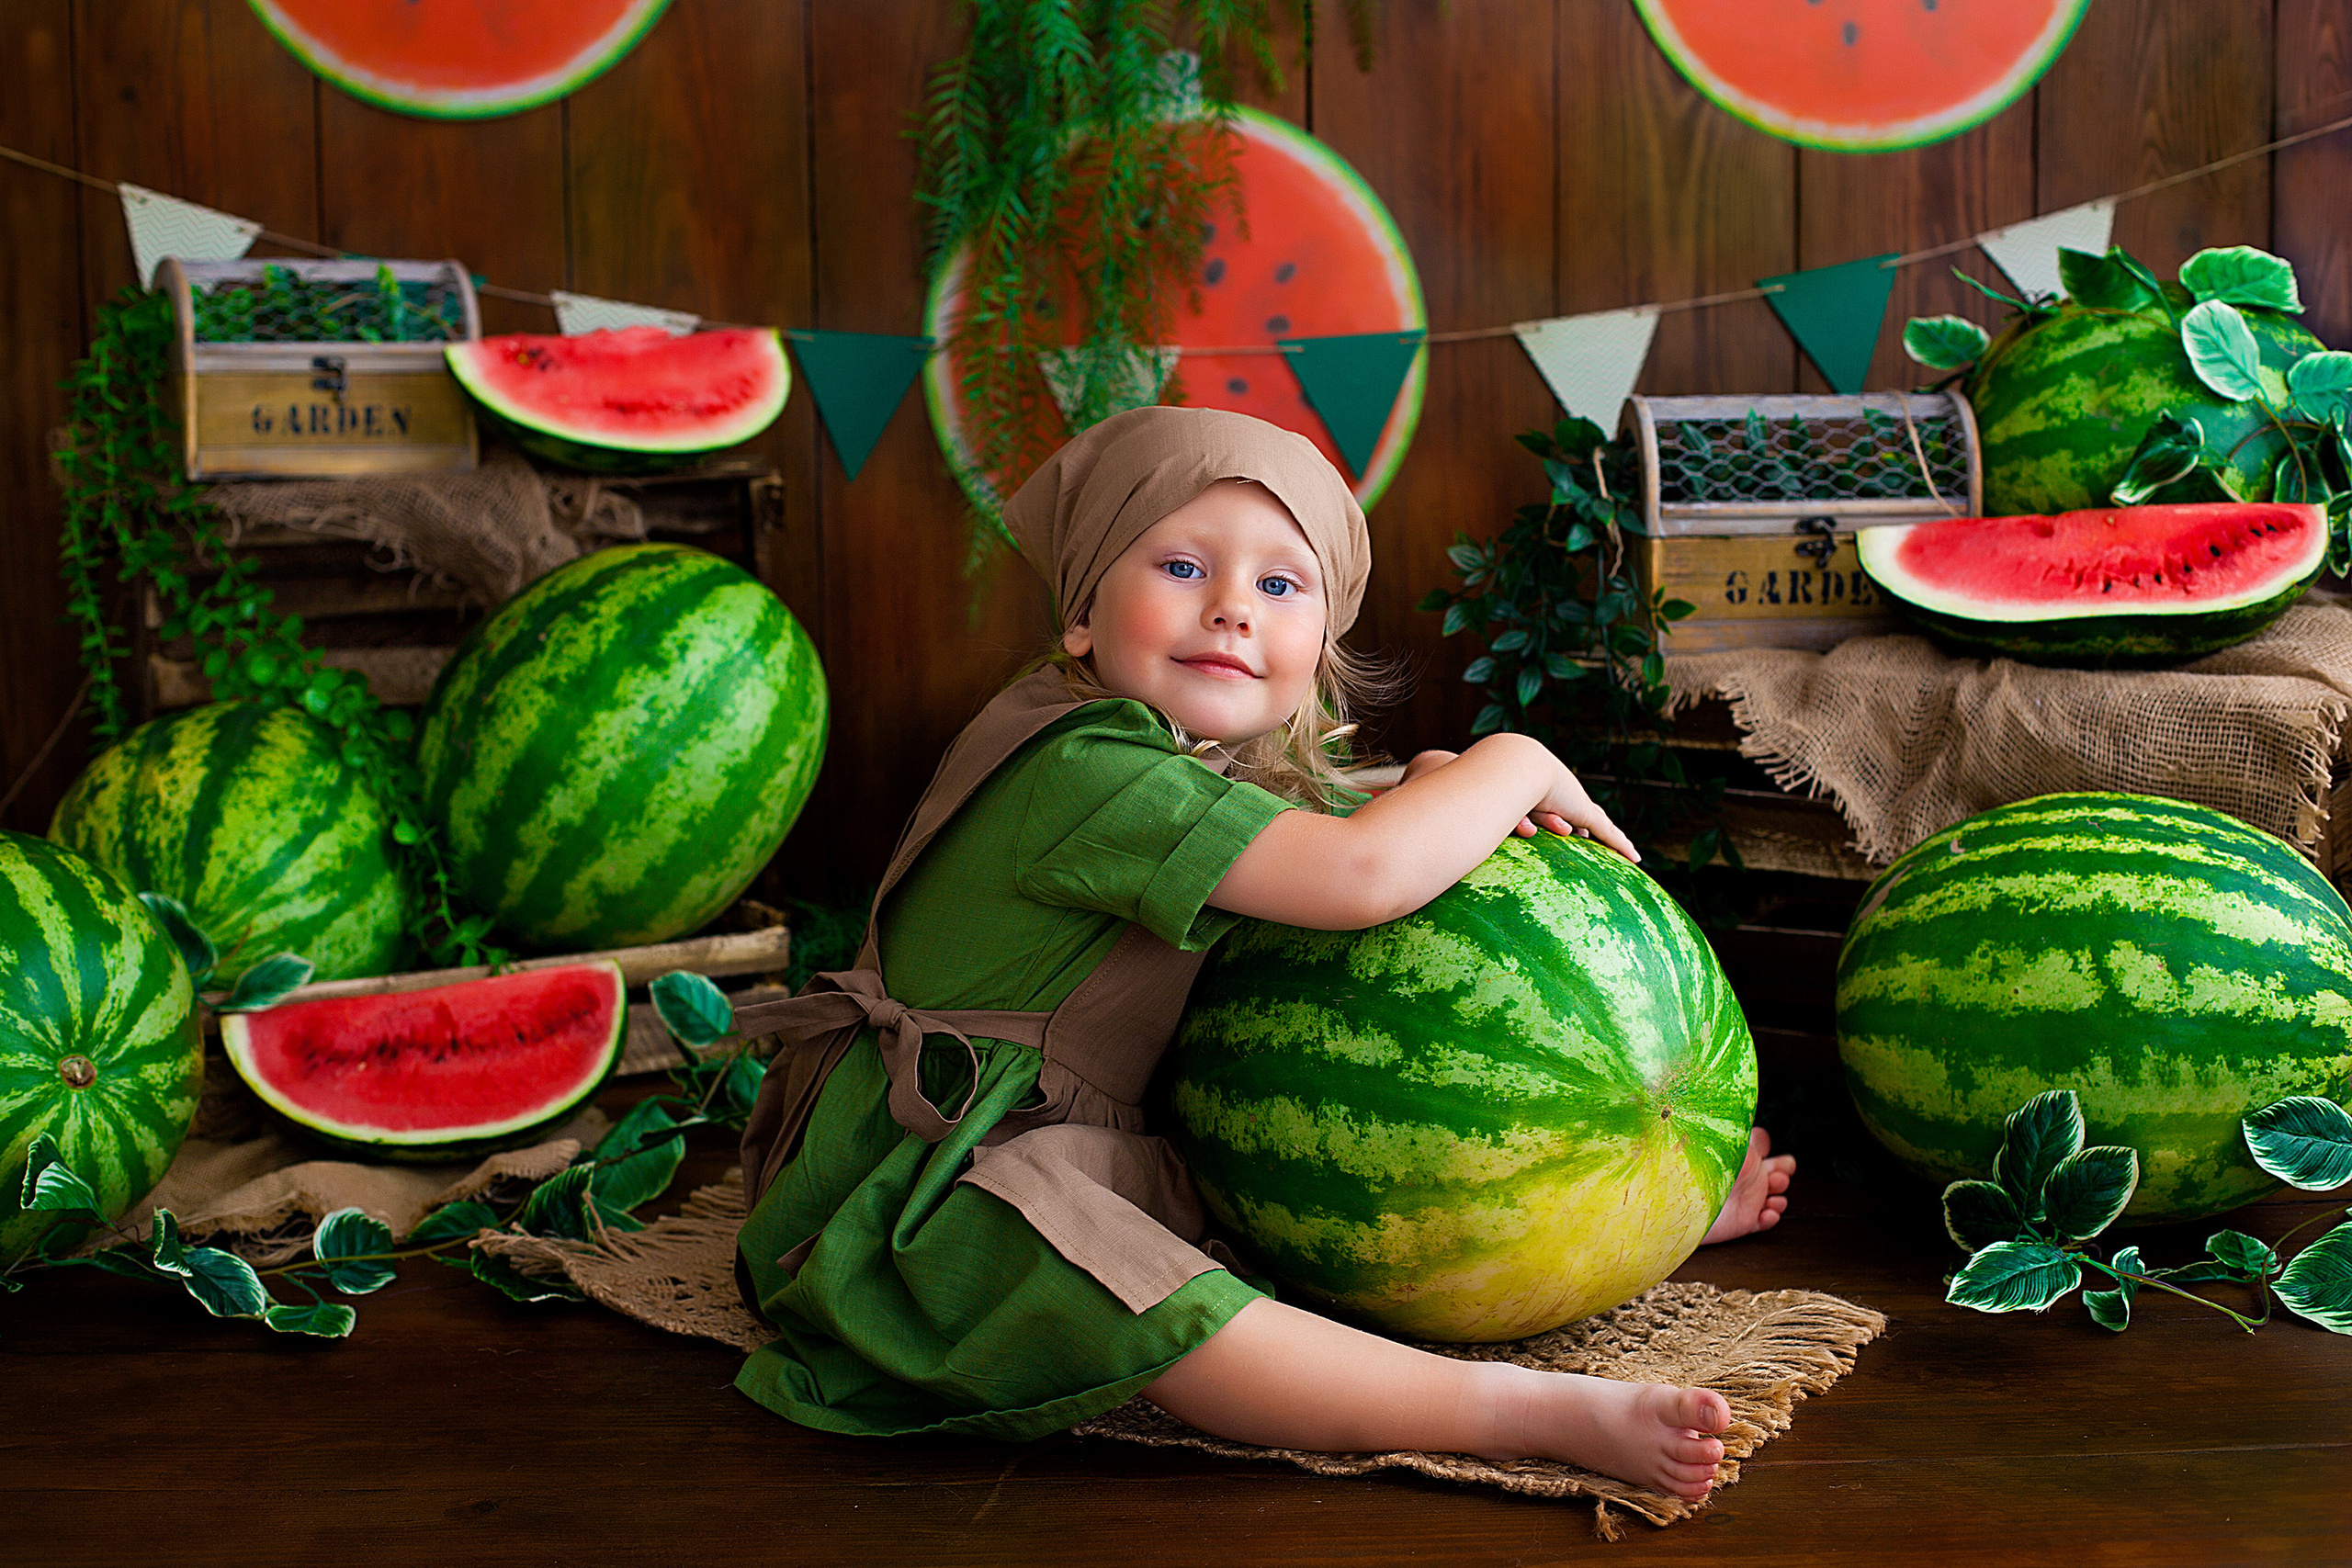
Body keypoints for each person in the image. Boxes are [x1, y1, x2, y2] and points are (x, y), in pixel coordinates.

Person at [731, 406, 1793, 1501]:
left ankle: (1606, 1237)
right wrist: (1510, 760)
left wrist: (1427, 783)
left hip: (1064, 1131)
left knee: (1302, 1214)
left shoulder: (1169, 754)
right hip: (925, 1182)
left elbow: (1332, 828)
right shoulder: (1083, 769)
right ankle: (1514, 1411)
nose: (1232, 607)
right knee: (1157, 1302)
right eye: (1184, 565)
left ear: (1318, 649)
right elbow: (1357, 876)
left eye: (1281, 587)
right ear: (1082, 616)